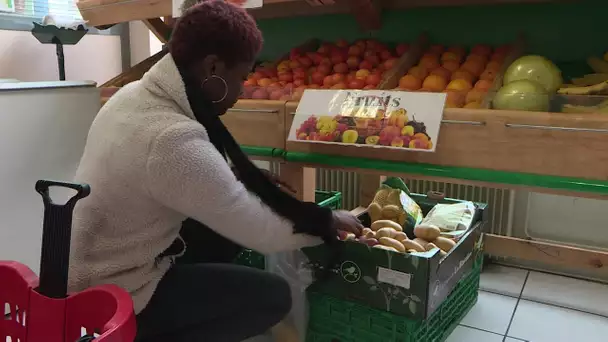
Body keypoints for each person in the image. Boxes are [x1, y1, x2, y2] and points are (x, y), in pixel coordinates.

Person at [67, 0, 363, 341]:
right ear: (212, 68)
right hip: (120, 291)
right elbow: (264, 233)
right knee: (271, 297)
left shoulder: (134, 95)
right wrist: (327, 221)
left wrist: (237, 182)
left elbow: (193, 181)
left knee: (222, 232)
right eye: (241, 76)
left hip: (87, 268)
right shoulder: (170, 138)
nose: (241, 89)